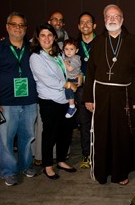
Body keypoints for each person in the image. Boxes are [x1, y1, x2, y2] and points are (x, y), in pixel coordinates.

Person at [83, 4, 135, 185]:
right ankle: (102, 172)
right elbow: (91, 72)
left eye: (116, 16)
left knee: (121, 134)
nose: (112, 19)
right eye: (109, 16)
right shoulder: (98, 41)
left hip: (122, 95)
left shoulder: (132, 41)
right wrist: (88, 98)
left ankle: (120, 173)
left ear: (122, 20)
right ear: (104, 20)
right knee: (102, 133)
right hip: (100, 94)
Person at [0, 12, 38, 186]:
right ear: (7, 27)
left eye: (22, 25)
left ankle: (26, 165)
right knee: (5, 140)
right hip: (5, 103)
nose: (18, 28)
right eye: (14, 24)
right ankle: (9, 171)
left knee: (27, 137)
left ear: (26, 29)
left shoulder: (32, 49)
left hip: (30, 101)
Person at [30, 22, 78, 180]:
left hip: (65, 99)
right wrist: (68, 84)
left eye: (50, 35)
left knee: (65, 133)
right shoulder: (36, 57)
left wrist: (77, 80)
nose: (46, 38)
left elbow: (67, 71)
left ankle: (62, 160)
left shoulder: (58, 54)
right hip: (49, 102)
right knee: (49, 135)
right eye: (43, 35)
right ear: (38, 38)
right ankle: (48, 165)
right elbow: (48, 80)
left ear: (54, 37)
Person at [76, 11, 97, 169]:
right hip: (81, 89)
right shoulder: (73, 45)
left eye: (88, 22)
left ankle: (99, 153)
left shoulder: (103, 42)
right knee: (84, 123)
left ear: (94, 25)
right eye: (82, 22)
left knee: (100, 123)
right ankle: (86, 154)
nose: (85, 25)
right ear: (78, 26)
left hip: (100, 89)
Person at [63, 38, 82, 118]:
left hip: (74, 79)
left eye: (71, 49)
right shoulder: (66, 58)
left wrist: (64, 63)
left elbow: (70, 68)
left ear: (76, 50)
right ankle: (72, 103)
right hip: (68, 79)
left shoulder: (76, 58)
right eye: (66, 49)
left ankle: (72, 106)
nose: (69, 51)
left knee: (68, 88)